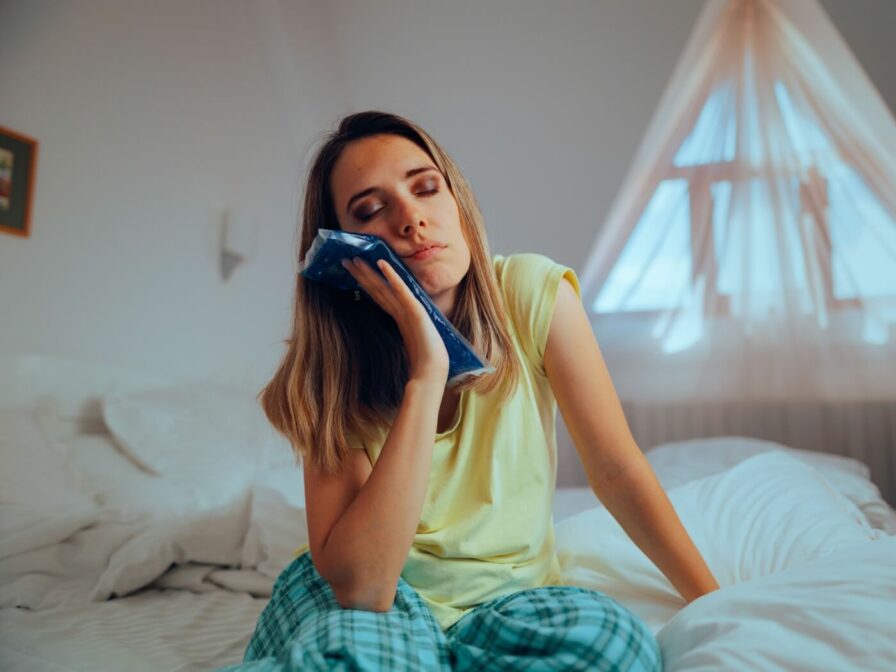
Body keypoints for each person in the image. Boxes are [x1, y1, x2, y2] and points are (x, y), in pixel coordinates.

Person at [222, 111, 719, 671]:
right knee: (357, 656)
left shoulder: (533, 294)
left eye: (426, 188)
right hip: (377, 603)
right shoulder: (329, 369)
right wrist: (426, 373)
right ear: (344, 254)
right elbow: (365, 588)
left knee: (618, 646)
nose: (412, 218)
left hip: (508, 601)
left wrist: (716, 602)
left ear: (457, 202)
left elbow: (617, 470)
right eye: (371, 210)